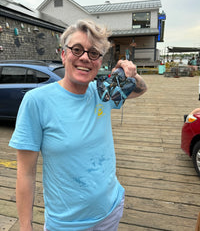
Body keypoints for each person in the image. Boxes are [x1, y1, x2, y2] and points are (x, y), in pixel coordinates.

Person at [9, 19, 147, 231]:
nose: (85, 57)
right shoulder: (37, 101)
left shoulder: (103, 92)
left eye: (94, 53)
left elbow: (141, 90)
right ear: (63, 54)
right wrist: (25, 227)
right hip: (65, 224)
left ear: (99, 62)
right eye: (77, 49)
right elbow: (25, 173)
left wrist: (130, 73)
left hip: (110, 211)